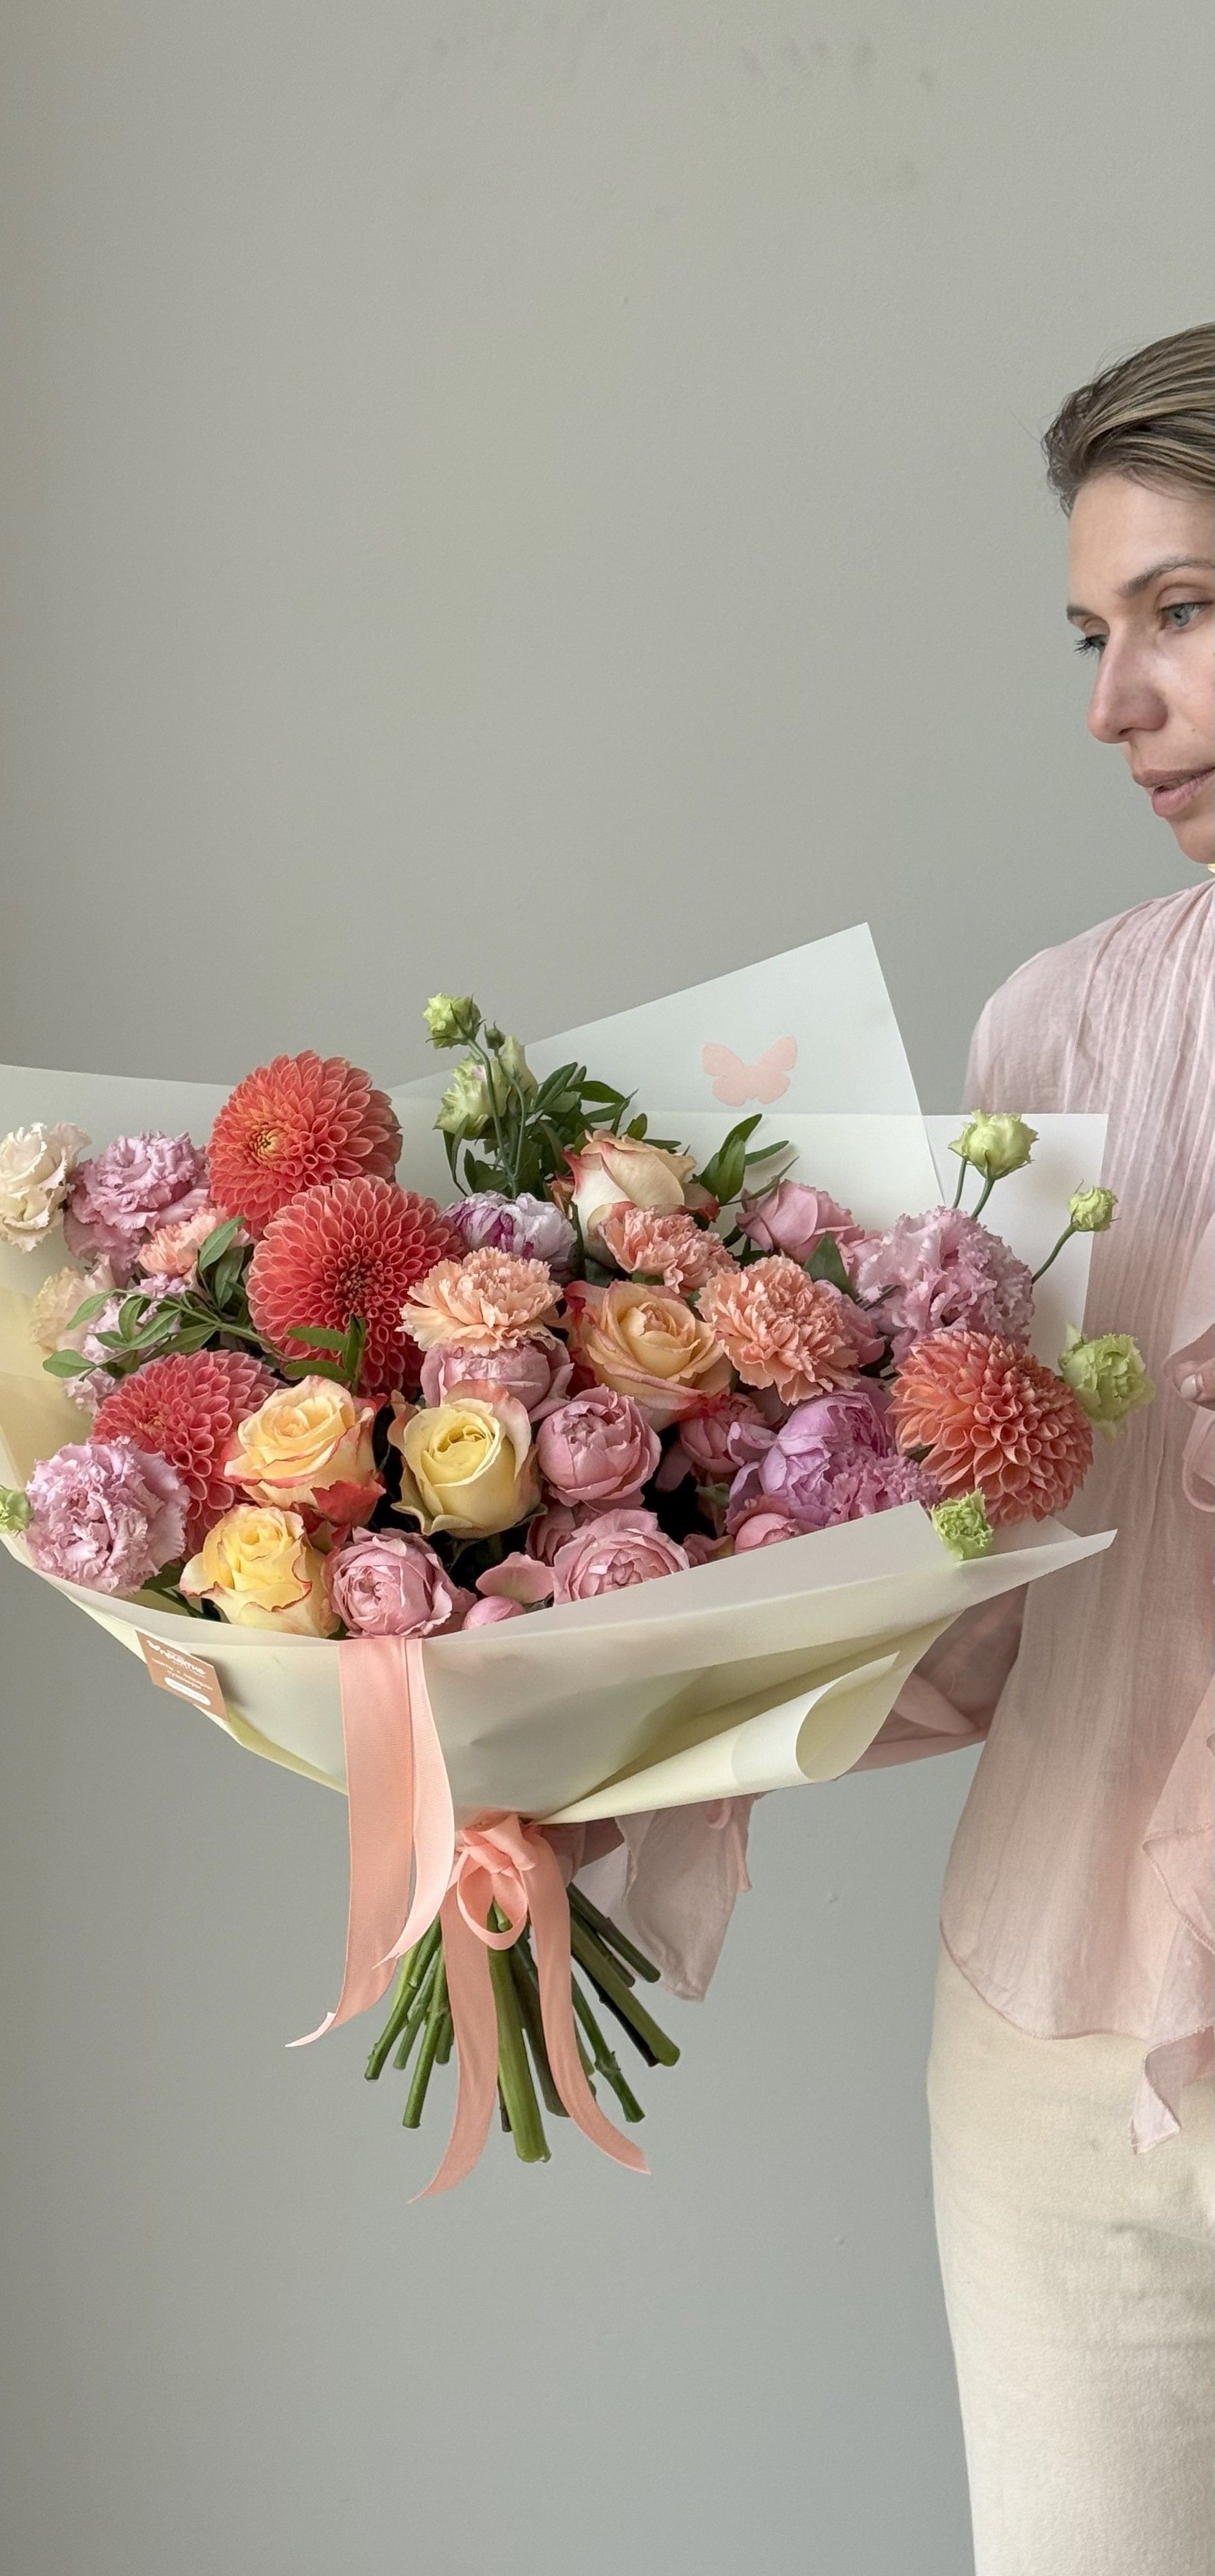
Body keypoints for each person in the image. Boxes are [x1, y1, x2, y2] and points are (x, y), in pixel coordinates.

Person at [604, 326, 1215, 2574]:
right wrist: (571, 1712)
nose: (1111, 705)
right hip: (1063, 2039)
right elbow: (989, 1598)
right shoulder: (1052, 1029)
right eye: (1090, 632)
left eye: (1180, 611)